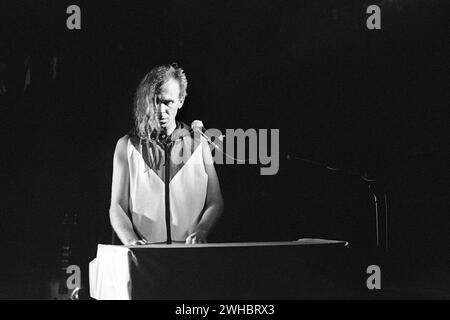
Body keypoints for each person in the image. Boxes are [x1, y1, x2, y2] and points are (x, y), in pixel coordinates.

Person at [109, 63, 224, 245]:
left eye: (168, 102)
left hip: (191, 252)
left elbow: (215, 200)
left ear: (181, 100)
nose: (161, 110)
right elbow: (116, 207)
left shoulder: (199, 143)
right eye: (156, 101)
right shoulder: (127, 146)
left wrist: (202, 230)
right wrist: (130, 241)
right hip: (145, 255)